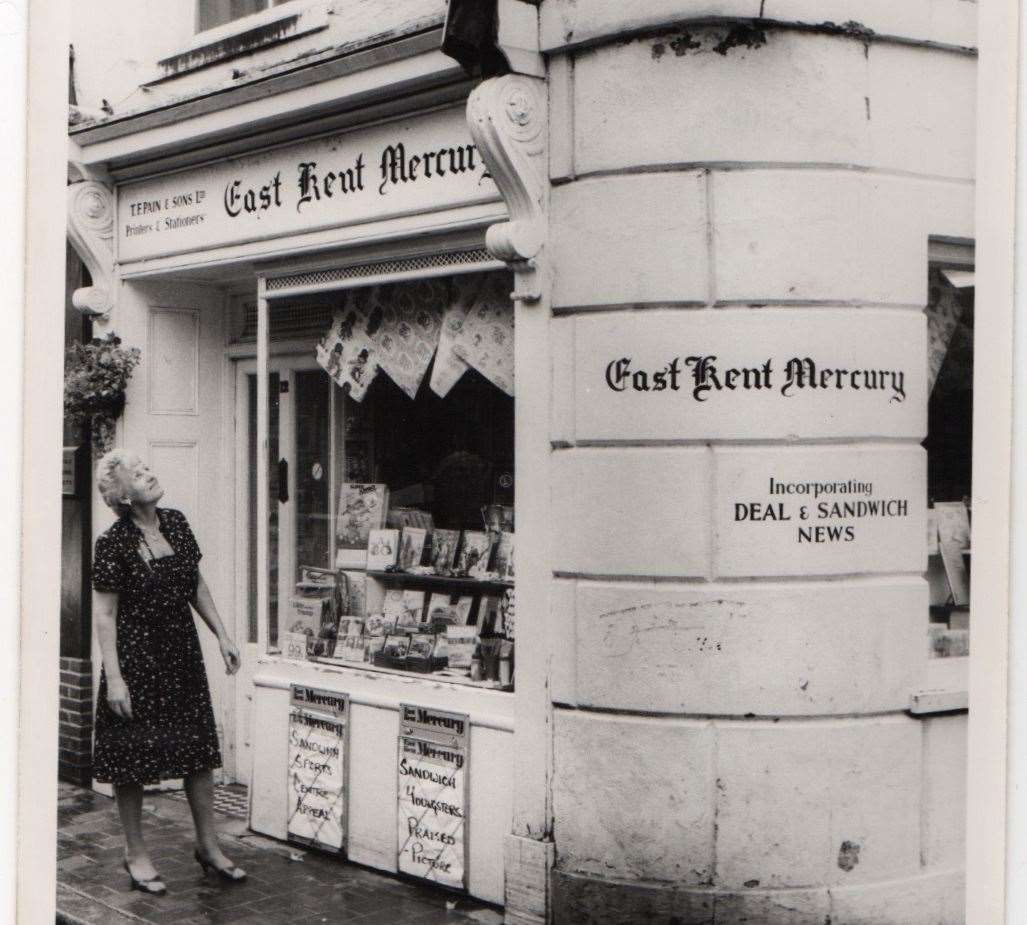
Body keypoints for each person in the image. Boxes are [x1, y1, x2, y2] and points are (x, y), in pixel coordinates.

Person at [92, 449, 246, 895]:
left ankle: (208, 845)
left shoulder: (175, 522)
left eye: (147, 468)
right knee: (134, 759)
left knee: (198, 750)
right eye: (139, 474)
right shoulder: (113, 543)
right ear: (122, 495)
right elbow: (105, 615)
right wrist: (115, 679)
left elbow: (195, 584)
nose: (150, 474)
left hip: (181, 655)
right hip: (136, 660)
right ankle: (135, 851)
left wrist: (222, 635)